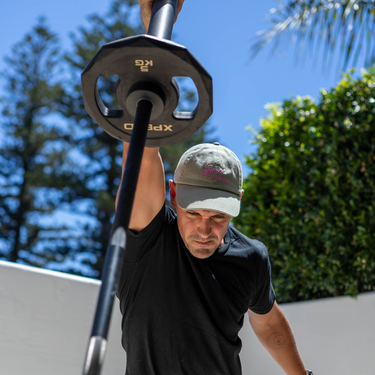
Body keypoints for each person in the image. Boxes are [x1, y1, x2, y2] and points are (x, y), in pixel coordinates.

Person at [116, 1, 313, 374]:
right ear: (174, 195)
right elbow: (140, 148)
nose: (205, 230)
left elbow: (268, 323)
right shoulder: (148, 238)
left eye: (219, 217)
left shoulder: (251, 258)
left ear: (237, 203)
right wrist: (156, 33)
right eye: (194, 213)